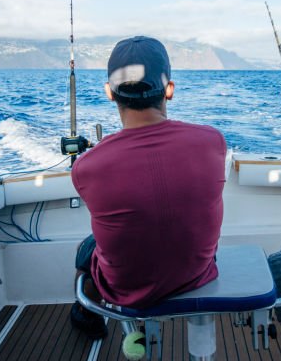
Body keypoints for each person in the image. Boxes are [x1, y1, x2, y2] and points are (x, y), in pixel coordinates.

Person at [70, 36, 226, 339]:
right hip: (197, 274)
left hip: (125, 291)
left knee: (86, 248)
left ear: (109, 94)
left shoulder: (86, 167)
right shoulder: (213, 141)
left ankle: (88, 316)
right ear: (169, 90)